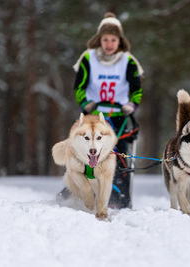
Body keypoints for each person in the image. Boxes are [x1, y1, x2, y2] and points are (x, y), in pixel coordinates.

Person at [69, 12, 143, 209]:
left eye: (113, 39)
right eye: (105, 39)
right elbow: (79, 86)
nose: (109, 43)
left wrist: (132, 105)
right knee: (84, 151)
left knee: (120, 155)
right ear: (99, 40)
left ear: (120, 41)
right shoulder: (88, 58)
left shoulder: (128, 60)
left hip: (119, 115)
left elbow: (136, 88)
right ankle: (80, 190)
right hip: (94, 115)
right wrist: (84, 102)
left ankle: (119, 197)